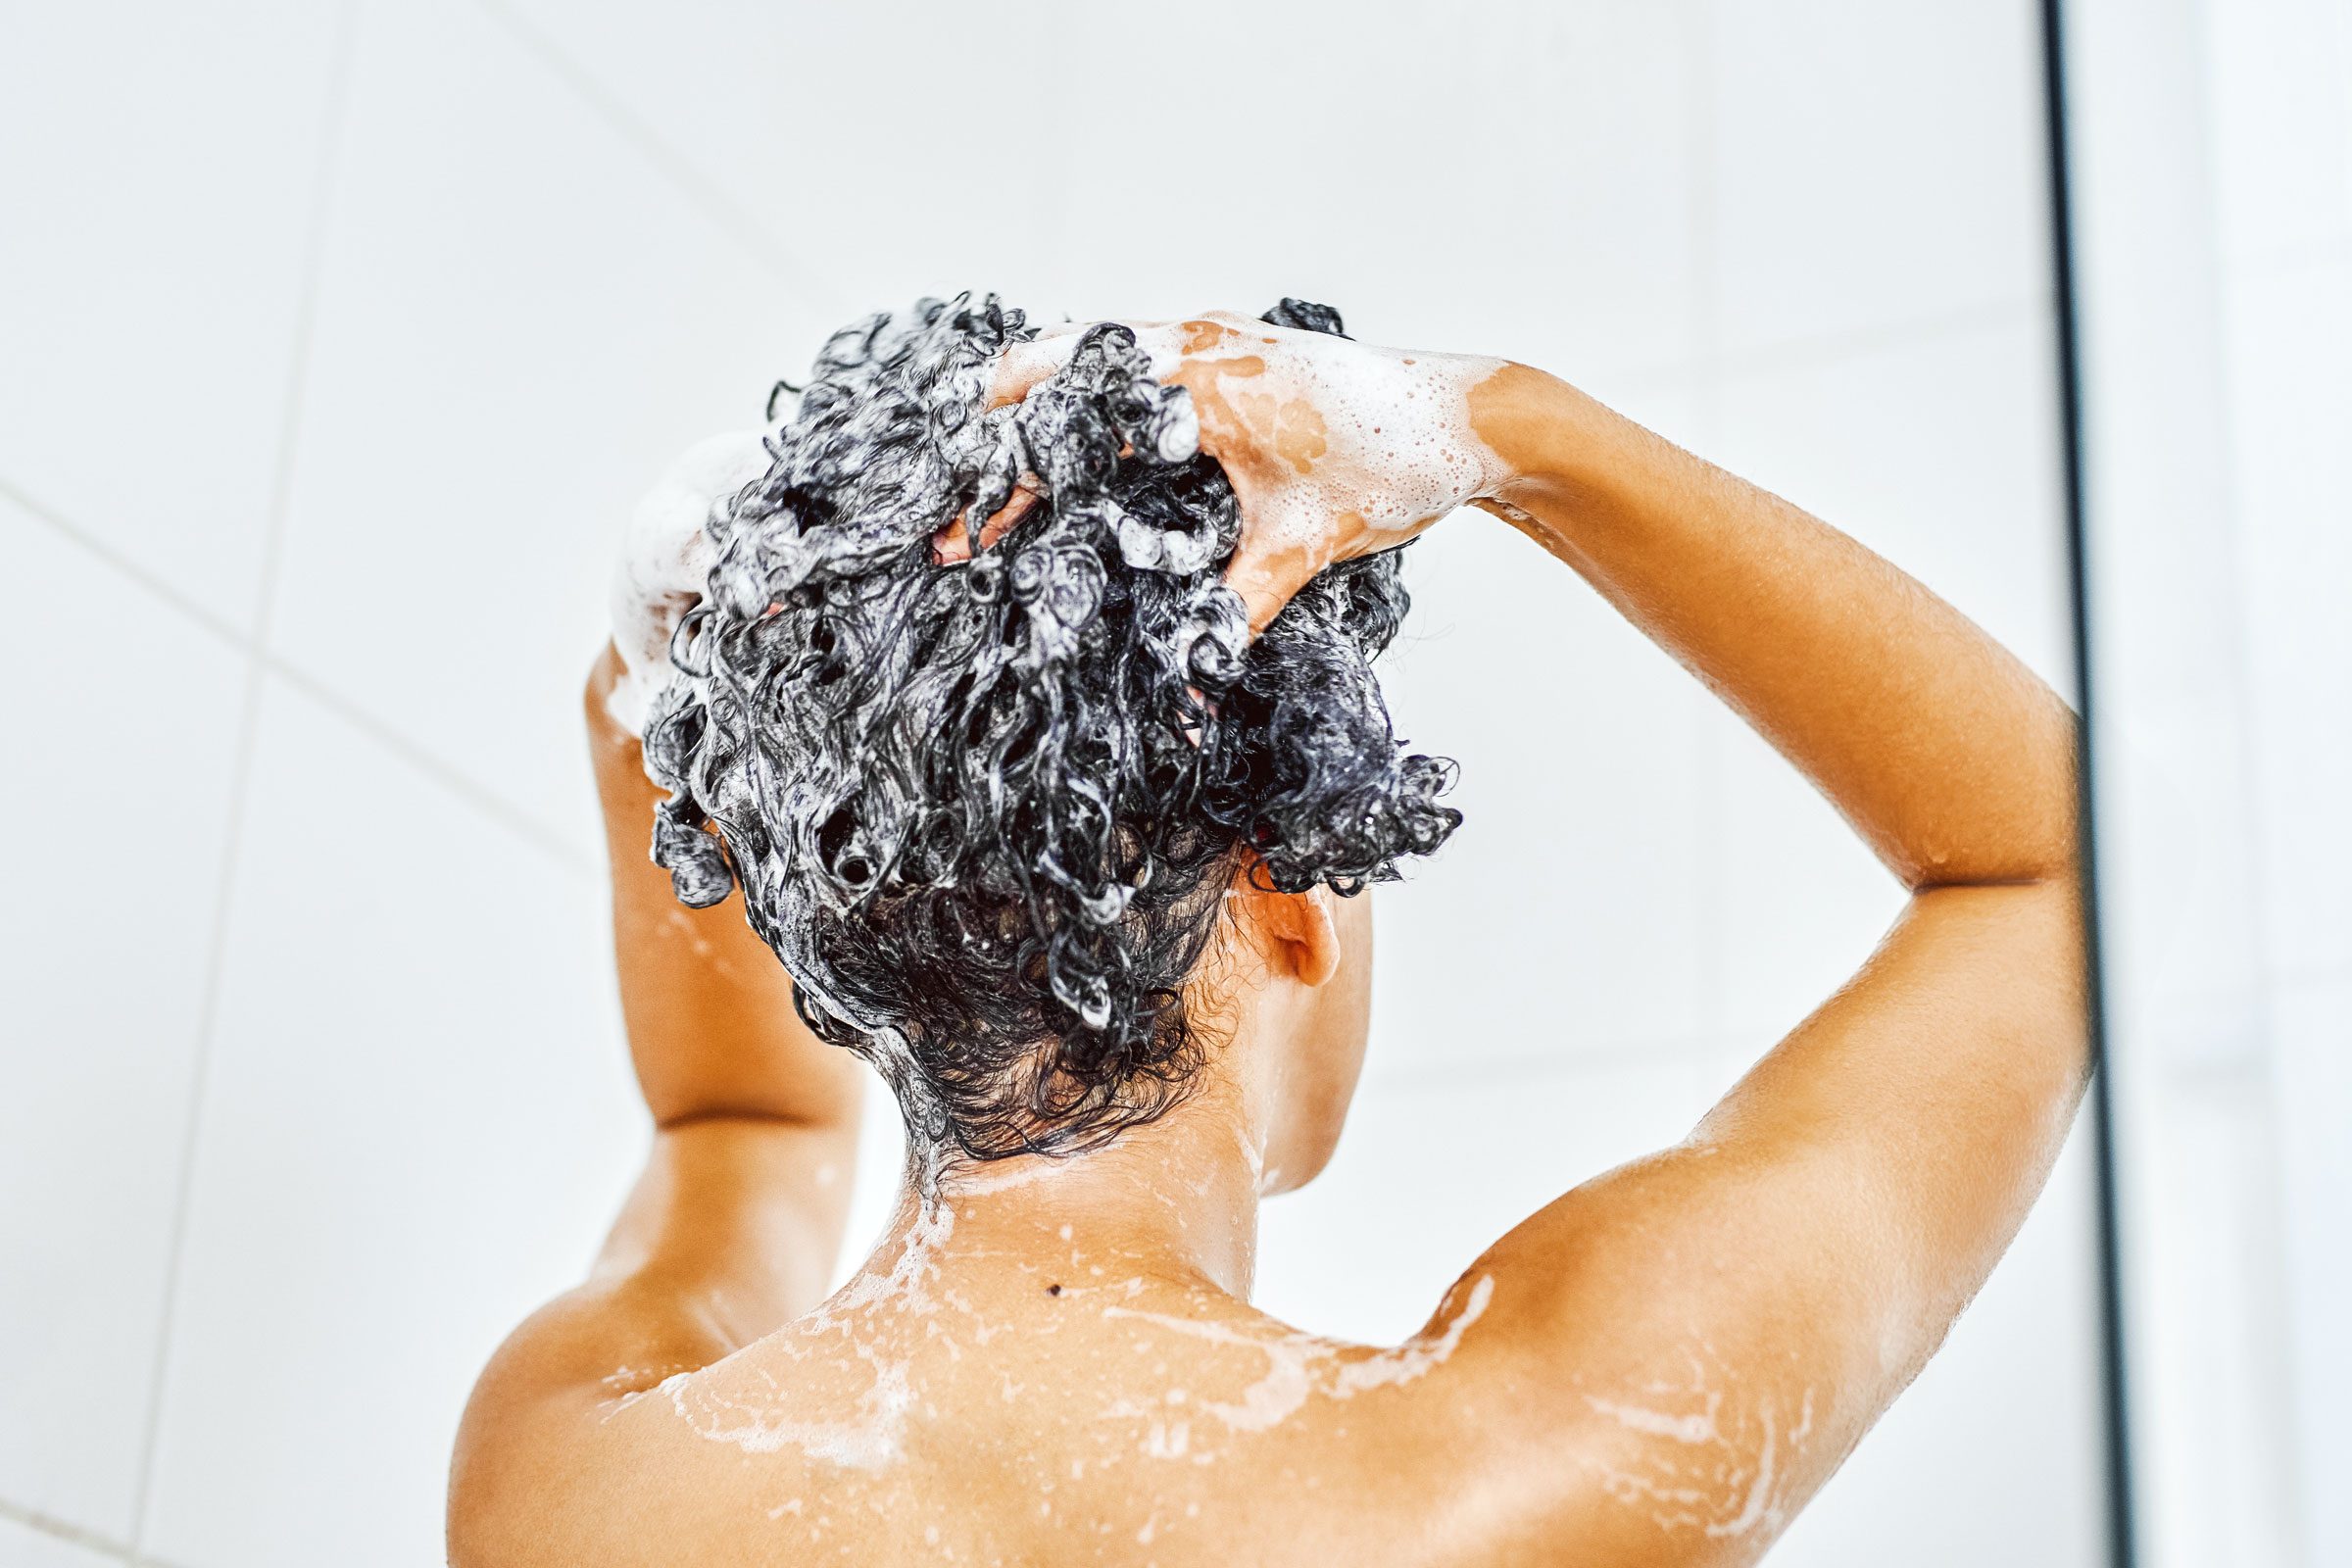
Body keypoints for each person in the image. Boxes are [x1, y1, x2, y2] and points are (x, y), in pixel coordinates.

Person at [450, 310, 2087, 1565]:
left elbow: (727, 1129)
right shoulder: (1511, 1469)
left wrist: (699, 737)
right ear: (1289, 900)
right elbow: (2055, 868)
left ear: (860, 940)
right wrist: (1510, 429)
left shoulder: (575, 1489)